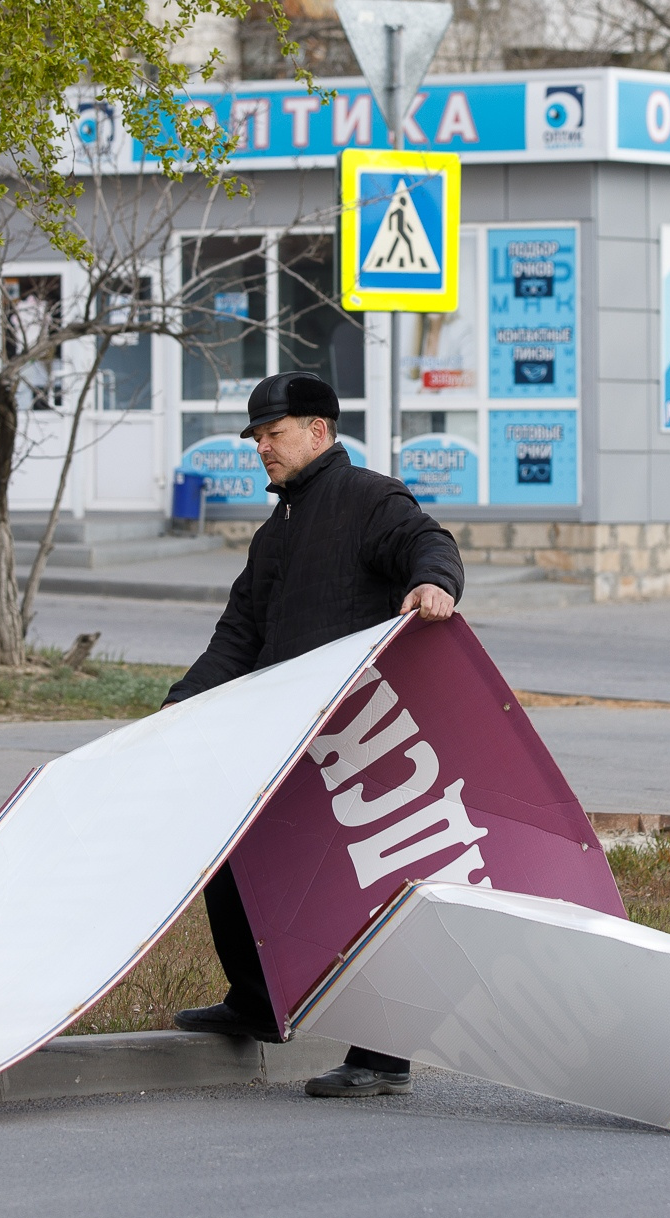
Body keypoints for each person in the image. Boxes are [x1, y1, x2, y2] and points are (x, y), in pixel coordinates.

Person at [166, 371, 463, 1099]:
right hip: (287, 738)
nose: (262, 448)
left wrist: (435, 585)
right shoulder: (278, 532)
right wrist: (177, 711)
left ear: (319, 433)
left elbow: (428, 542)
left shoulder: (369, 499)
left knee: (365, 888)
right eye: (257, 437)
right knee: (235, 851)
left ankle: (385, 1058)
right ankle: (259, 1001)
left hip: (360, 740)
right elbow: (237, 638)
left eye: (274, 434)